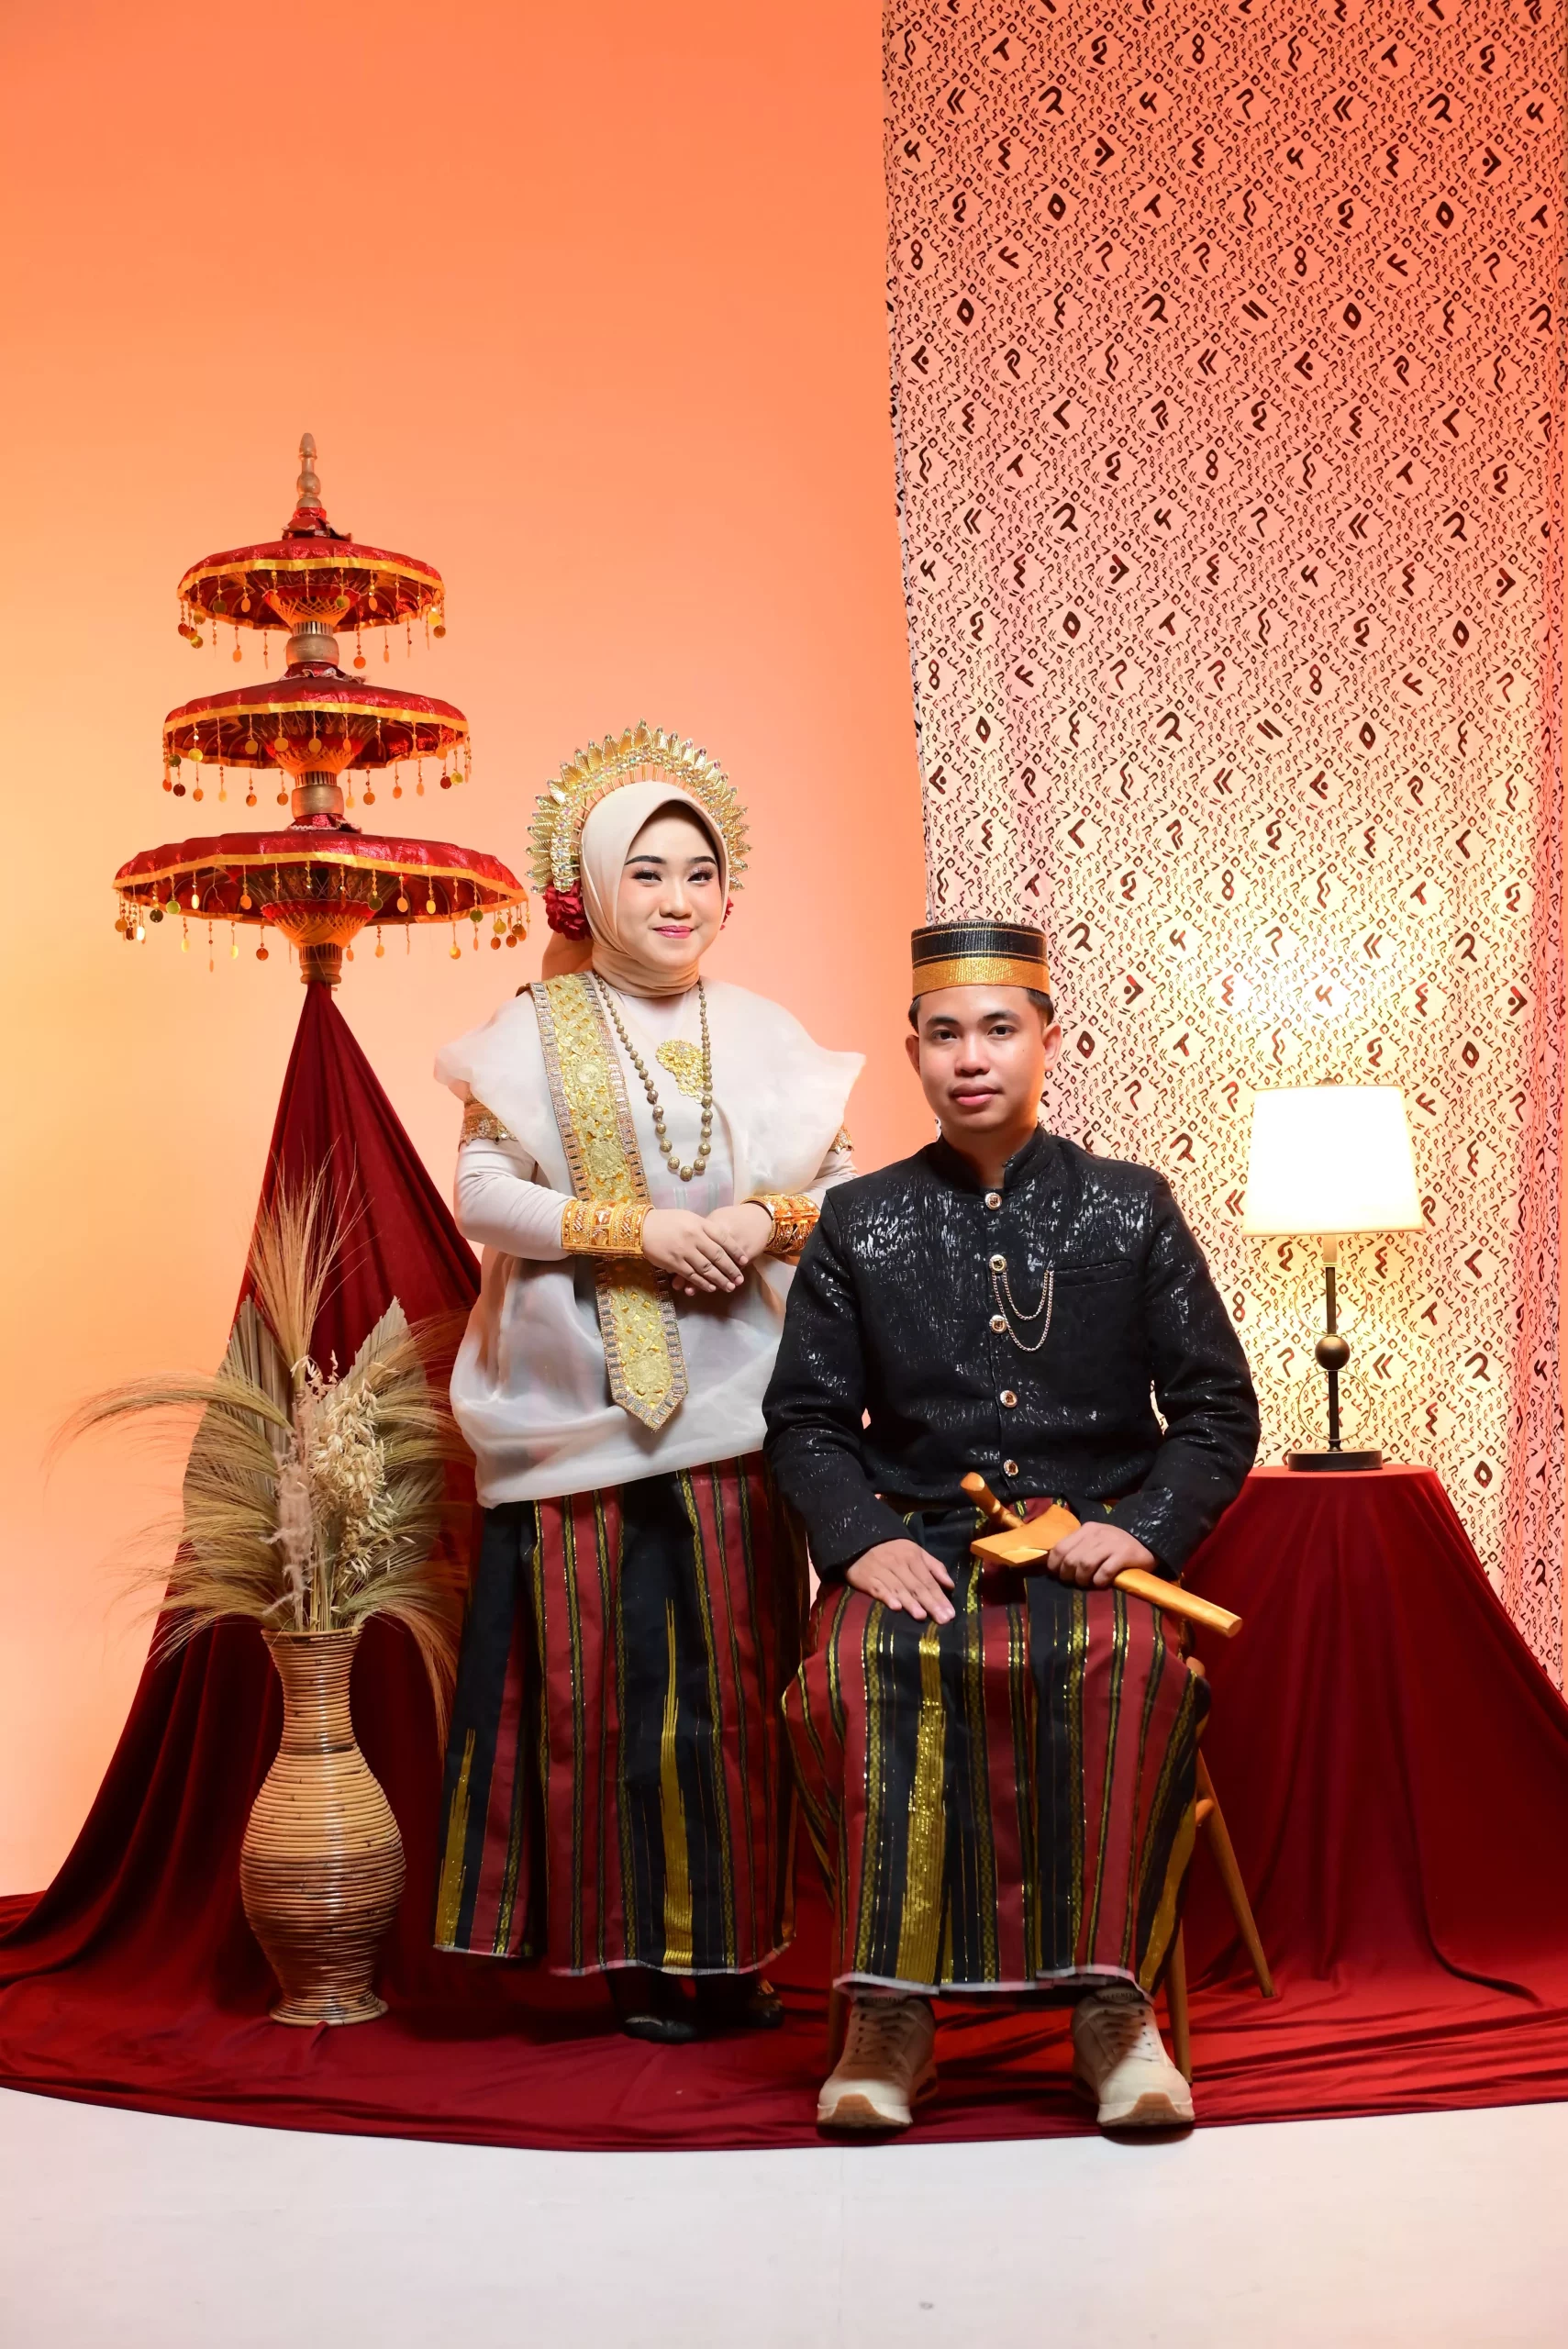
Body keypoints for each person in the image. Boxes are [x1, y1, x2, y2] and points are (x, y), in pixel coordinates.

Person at [764, 917, 1259, 2130]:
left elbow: (1215, 1409)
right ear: (914, 1055)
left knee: (1126, 1662)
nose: (971, 1057)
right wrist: (860, 1539)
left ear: (1048, 1040)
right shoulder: (858, 1219)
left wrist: (1143, 1528)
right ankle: (890, 2016)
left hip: (1089, 1550)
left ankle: (1112, 2012)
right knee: (850, 1674)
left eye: (998, 1030)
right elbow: (805, 1422)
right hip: (919, 1545)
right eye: (944, 1035)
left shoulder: (1131, 1208)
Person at [432, 726, 861, 2041]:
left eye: (700, 874)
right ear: (591, 891)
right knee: (596, 1689)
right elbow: (482, 1194)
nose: (679, 901)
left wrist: (763, 1221)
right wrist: (639, 1231)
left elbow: (842, 1188)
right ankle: (624, 1960)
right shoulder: (532, 1029)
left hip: (736, 1402)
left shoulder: (766, 1031)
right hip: (572, 1408)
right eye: (648, 874)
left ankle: (731, 1958)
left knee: (736, 1684)